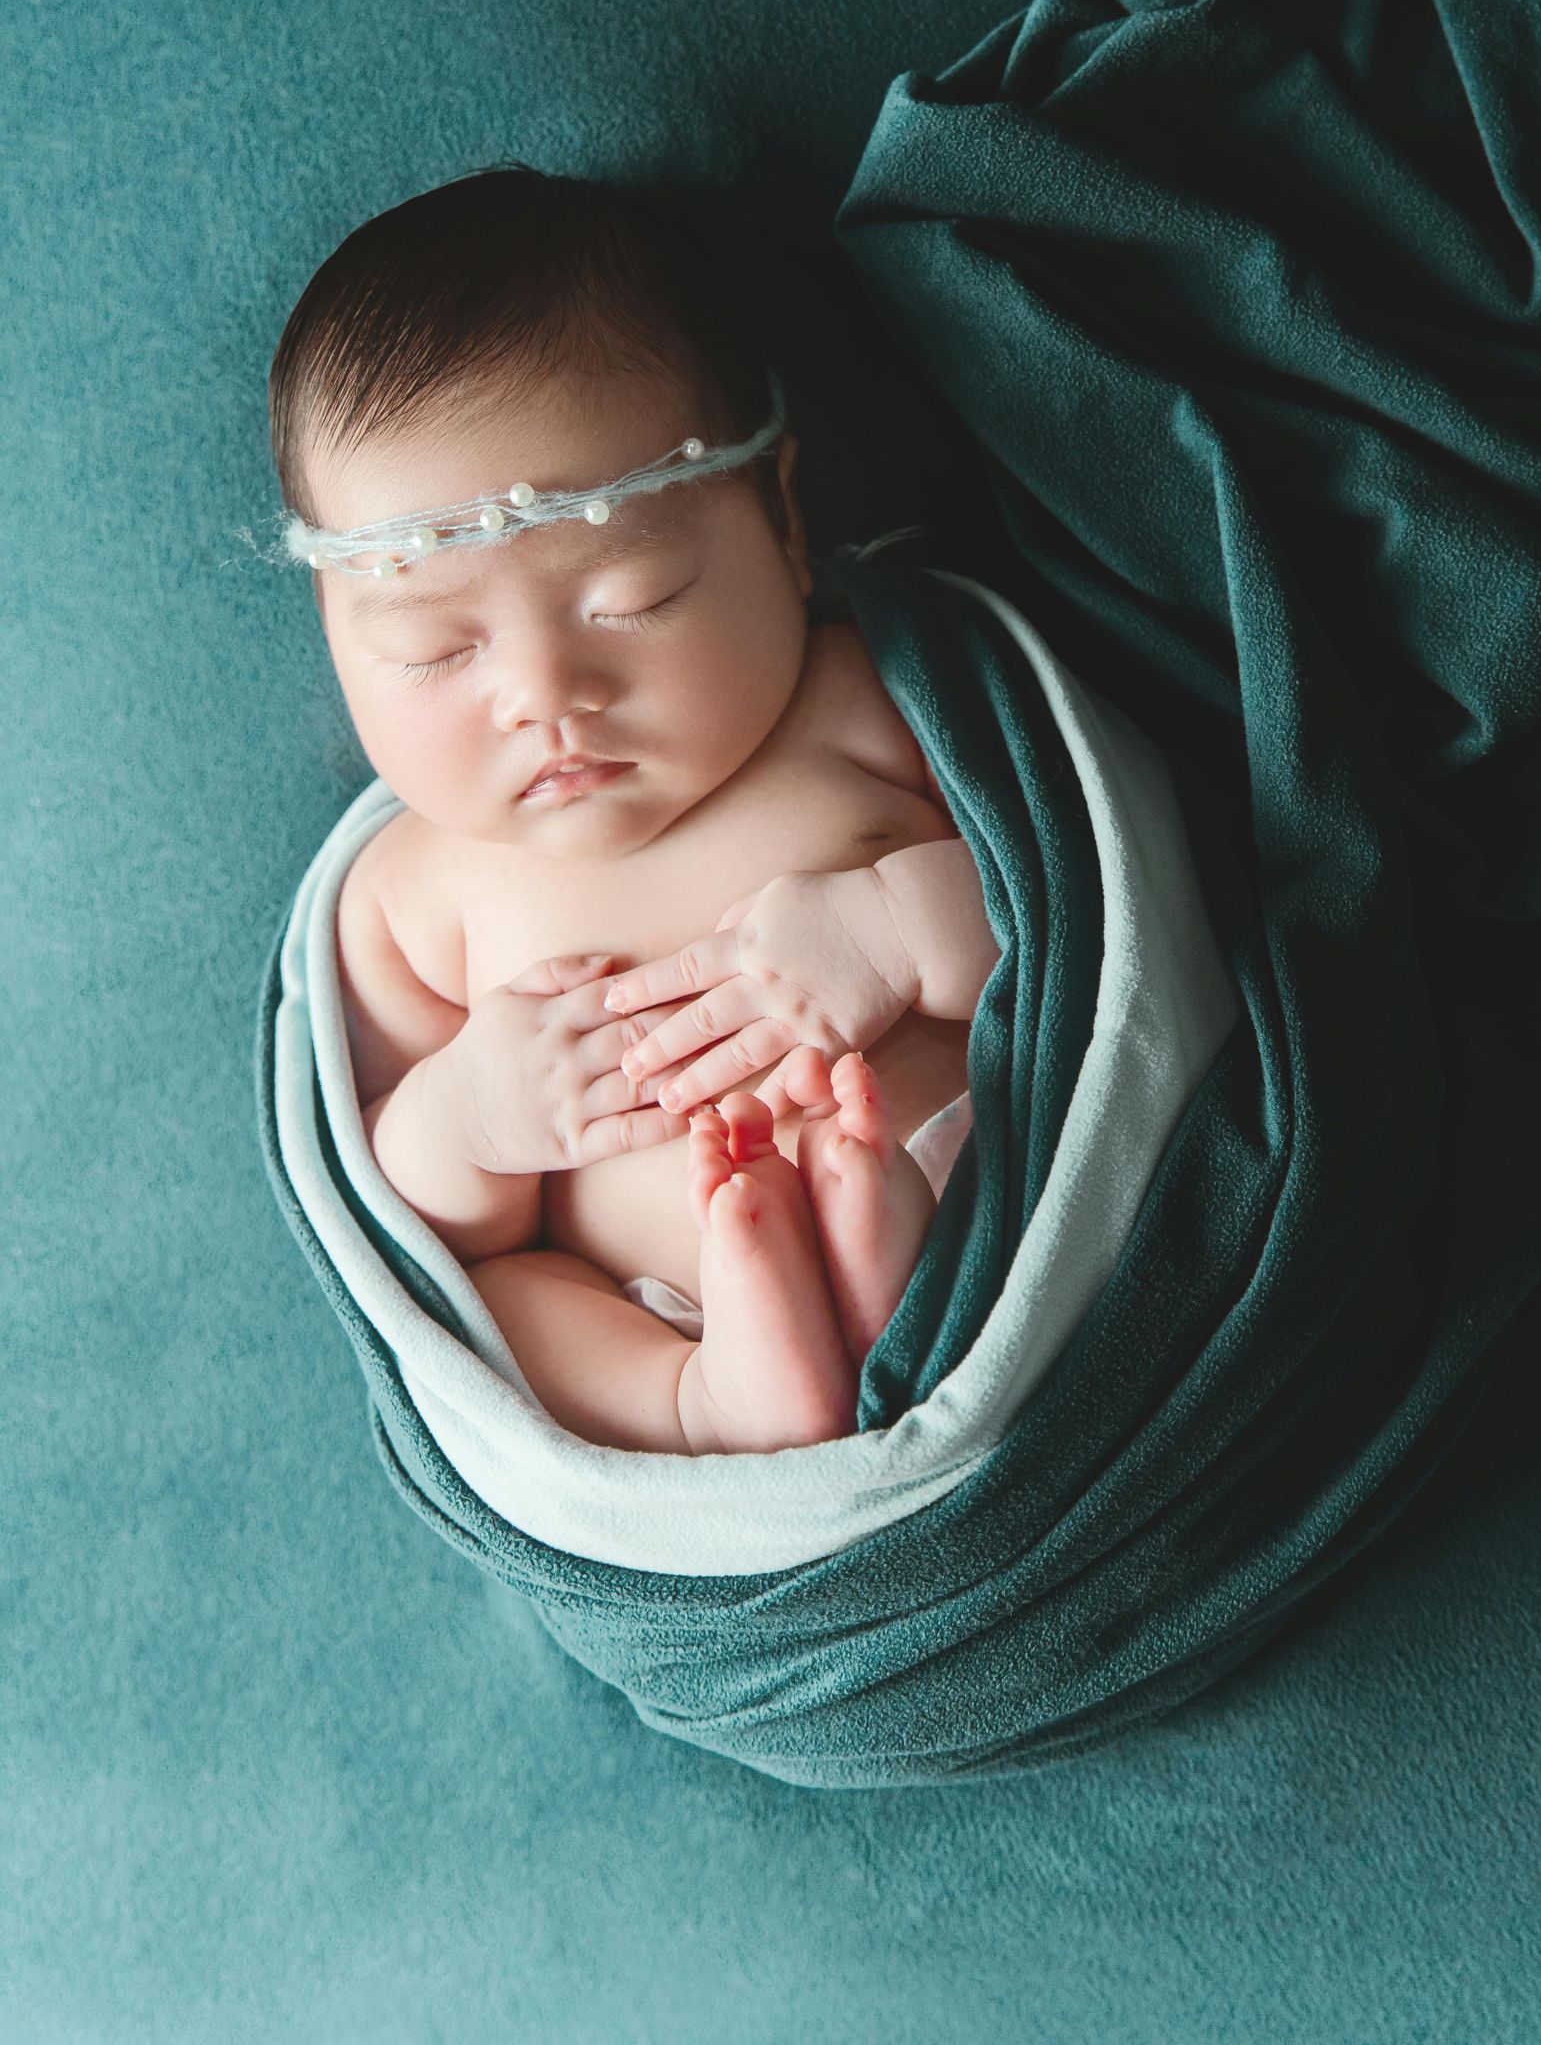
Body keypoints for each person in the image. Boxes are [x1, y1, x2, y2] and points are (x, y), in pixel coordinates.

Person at [268, 164, 1000, 1453]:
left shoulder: (871, 704)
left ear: (781, 523)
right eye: (437, 650)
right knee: (504, 1309)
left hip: (974, 1178)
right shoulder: (409, 896)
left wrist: (899, 929)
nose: (546, 696)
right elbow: (400, 1212)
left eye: (635, 600)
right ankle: (710, 1404)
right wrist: (470, 1118)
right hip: (669, 1313)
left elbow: (1087, 916)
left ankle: (894, 1270)